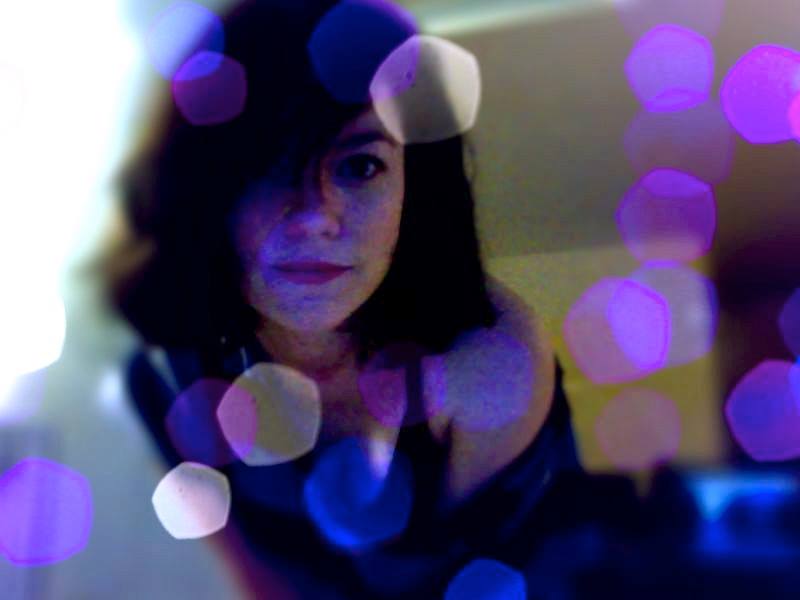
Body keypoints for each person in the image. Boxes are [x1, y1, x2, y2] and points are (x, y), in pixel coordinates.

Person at [100, 0, 582, 597]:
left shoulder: (490, 358)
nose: (314, 215)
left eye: (359, 166)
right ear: (205, 190)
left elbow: (509, 571)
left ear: (414, 184)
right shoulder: (166, 375)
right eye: (265, 165)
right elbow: (256, 572)